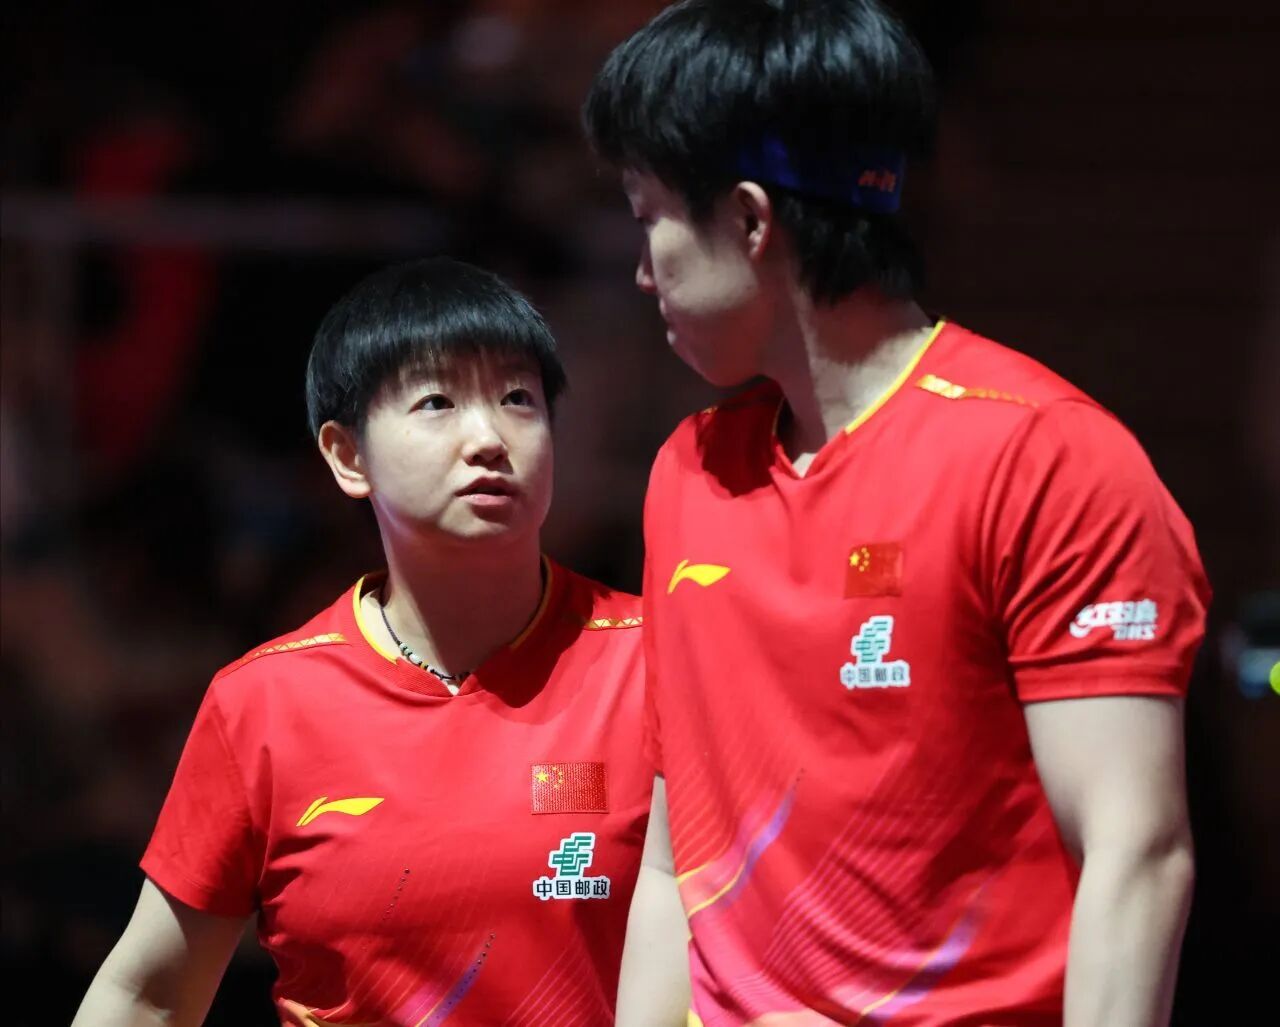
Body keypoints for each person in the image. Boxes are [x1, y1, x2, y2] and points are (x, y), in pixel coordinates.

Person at [582, 1, 1210, 1024]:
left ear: (749, 220)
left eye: (647, 213)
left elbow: (1134, 851)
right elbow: (669, 864)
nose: (642, 270)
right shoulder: (686, 473)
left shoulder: (1045, 458)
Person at [72, 257, 652, 1025]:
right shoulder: (263, 703)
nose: (489, 437)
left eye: (519, 398)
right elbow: (146, 994)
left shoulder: (659, 659)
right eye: (437, 401)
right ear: (348, 456)